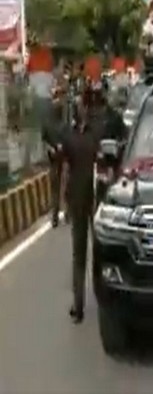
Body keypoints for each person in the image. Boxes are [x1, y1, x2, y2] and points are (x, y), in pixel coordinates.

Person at [58, 92, 103, 323]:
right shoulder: (85, 136)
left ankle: (90, 301)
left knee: (93, 253)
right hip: (83, 200)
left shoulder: (92, 135)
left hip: (92, 200)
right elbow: (65, 170)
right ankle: (80, 305)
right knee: (81, 254)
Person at [42, 88, 67, 228]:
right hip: (54, 160)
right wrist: (51, 148)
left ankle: (63, 213)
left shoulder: (63, 124)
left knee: (61, 187)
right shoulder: (49, 123)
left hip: (64, 159)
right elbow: (44, 140)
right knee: (56, 189)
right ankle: (56, 215)